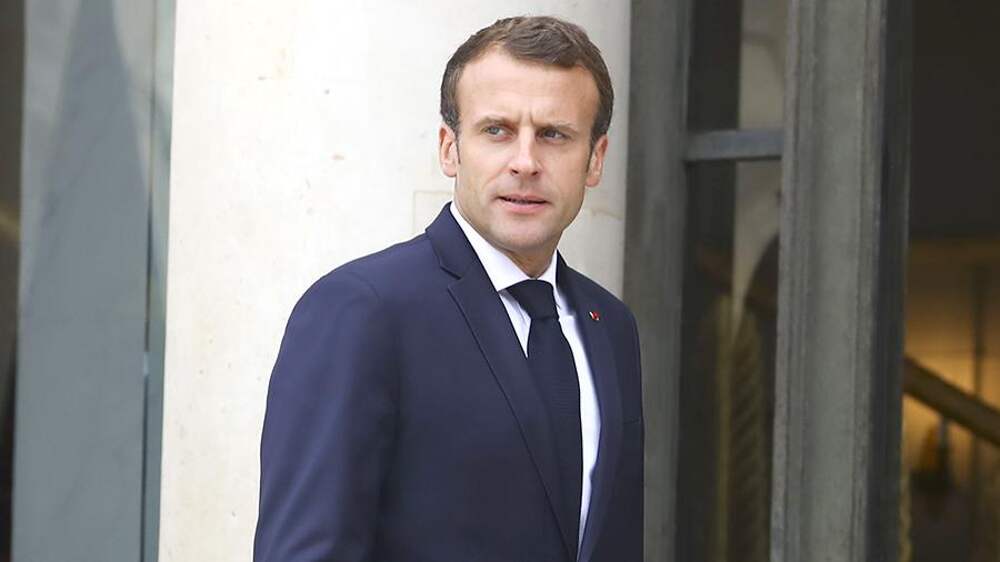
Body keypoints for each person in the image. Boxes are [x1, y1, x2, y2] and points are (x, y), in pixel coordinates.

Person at [254, 16, 643, 562]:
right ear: (449, 149)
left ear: (595, 158)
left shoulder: (611, 327)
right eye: (497, 131)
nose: (525, 163)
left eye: (553, 134)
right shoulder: (363, 310)